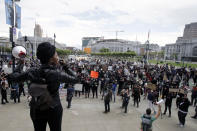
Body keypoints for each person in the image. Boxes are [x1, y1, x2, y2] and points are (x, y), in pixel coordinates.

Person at [7, 42, 79, 131]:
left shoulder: (32, 71)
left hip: (36, 108)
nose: (58, 56)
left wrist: (20, 64)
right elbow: (76, 79)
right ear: (51, 58)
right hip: (54, 107)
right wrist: (65, 66)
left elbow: (14, 77)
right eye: (56, 54)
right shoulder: (57, 74)